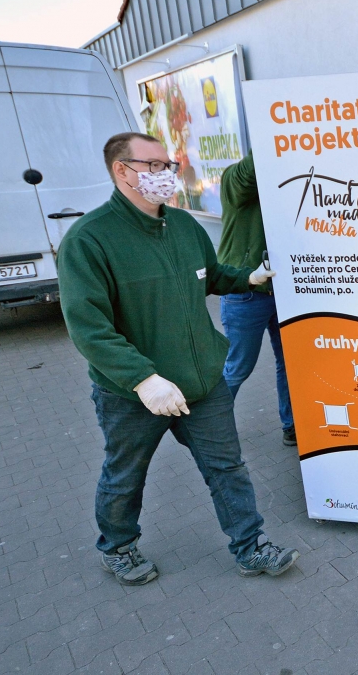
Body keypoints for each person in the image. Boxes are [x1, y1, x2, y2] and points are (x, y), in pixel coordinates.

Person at [58, 132, 299, 585]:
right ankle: (117, 546)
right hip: (134, 396)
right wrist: (144, 379)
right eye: (152, 166)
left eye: (167, 165)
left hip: (202, 384)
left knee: (227, 468)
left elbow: (210, 276)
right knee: (125, 475)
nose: (165, 174)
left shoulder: (185, 226)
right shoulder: (90, 240)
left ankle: (250, 547)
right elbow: (88, 327)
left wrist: (250, 276)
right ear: (121, 170)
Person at [218, 152, 295, 446]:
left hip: (283, 292)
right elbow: (246, 174)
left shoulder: (284, 183)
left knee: (288, 362)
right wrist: (274, 134)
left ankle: (291, 425)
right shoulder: (234, 180)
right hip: (245, 292)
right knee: (238, 366)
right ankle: (212, 428)